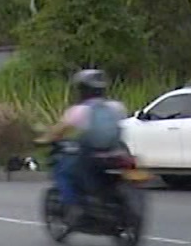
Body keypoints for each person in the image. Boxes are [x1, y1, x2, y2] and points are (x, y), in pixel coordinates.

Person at [38, 69, 128, 221]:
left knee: (63, 173)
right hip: (117, 152)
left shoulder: (79, 110)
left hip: (91, 154)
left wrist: (43, 140)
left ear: (82, 90)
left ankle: (74, 207)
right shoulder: (117, 107)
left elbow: (59, 131)